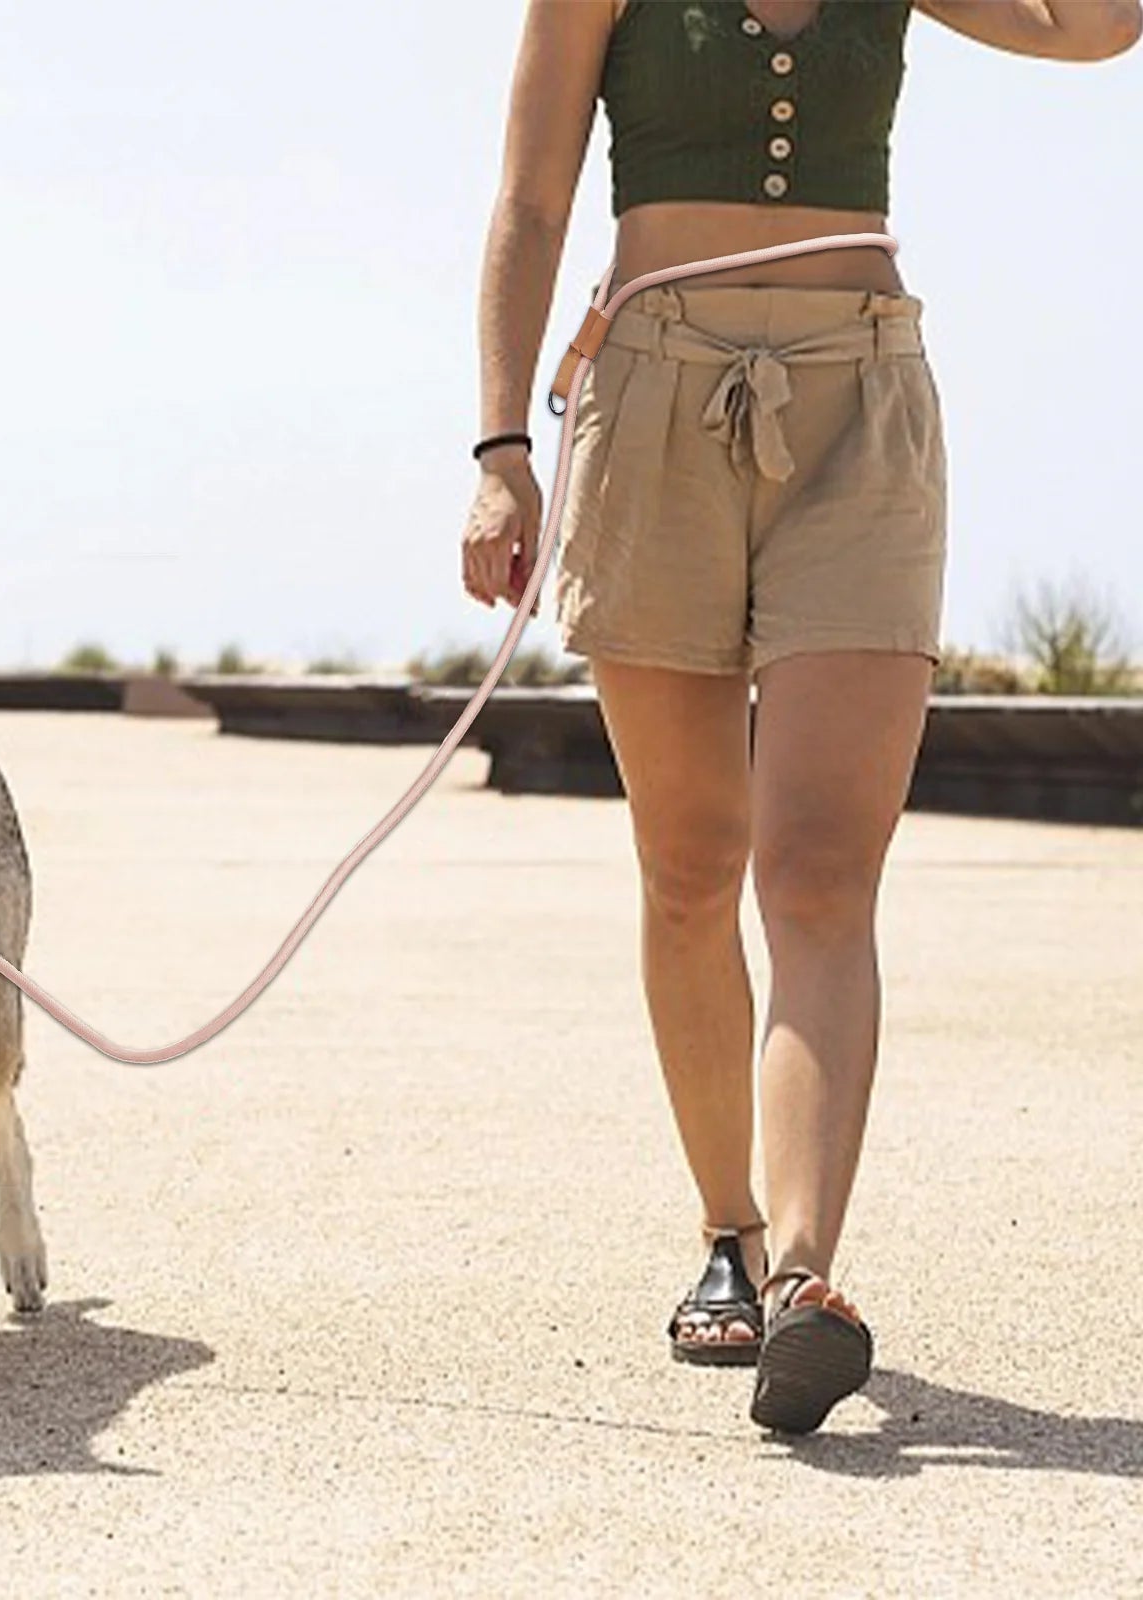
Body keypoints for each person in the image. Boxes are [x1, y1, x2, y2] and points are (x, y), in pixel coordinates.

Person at [462, 0, 1140, 1433]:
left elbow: (1098, 28)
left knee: (823, 869)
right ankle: (732, 1231)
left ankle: (808, 1283)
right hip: (650, 402)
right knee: (692, 865)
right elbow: (529, 197)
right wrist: (502, 451)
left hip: (861, 402)